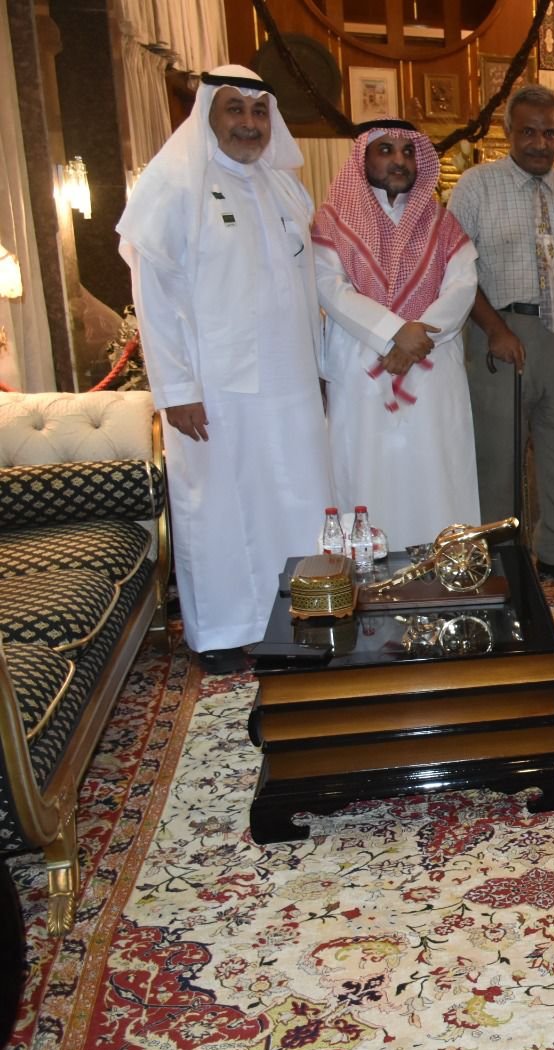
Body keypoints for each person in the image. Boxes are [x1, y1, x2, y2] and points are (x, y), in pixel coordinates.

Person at [117, 65, 334, 674]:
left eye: (259, 111)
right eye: (234, 109)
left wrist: (319, 368)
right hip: (214, 389)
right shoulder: (175, 184)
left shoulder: (285, 186)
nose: (249, 123)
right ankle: (221, 632)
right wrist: (176, 389)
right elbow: (154, 294)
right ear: (208, 115)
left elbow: (305, 288)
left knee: (297, 496)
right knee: (218, 505)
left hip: (290, 382)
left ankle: (297, 617)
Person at [448, 84, 554, 589]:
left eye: (550, 133)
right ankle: (501, 559)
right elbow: (455, 270)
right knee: (498, 453)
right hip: (501, 334)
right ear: (508, 131)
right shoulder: (477, 186)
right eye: (529, 132)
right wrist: (494, 329)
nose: (540, 143)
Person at [311, 119, 480, 551]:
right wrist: (392, 334)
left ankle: (443, 570)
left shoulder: (441, 222)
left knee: (437, 473)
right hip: (360, 365)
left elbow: (463, 285)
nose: (399, 160)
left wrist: (416, 338)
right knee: (366, 474)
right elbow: (330, 288)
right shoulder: (332, 222)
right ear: (363, 157)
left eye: (407, 151)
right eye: (385, 150)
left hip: (432, 362)